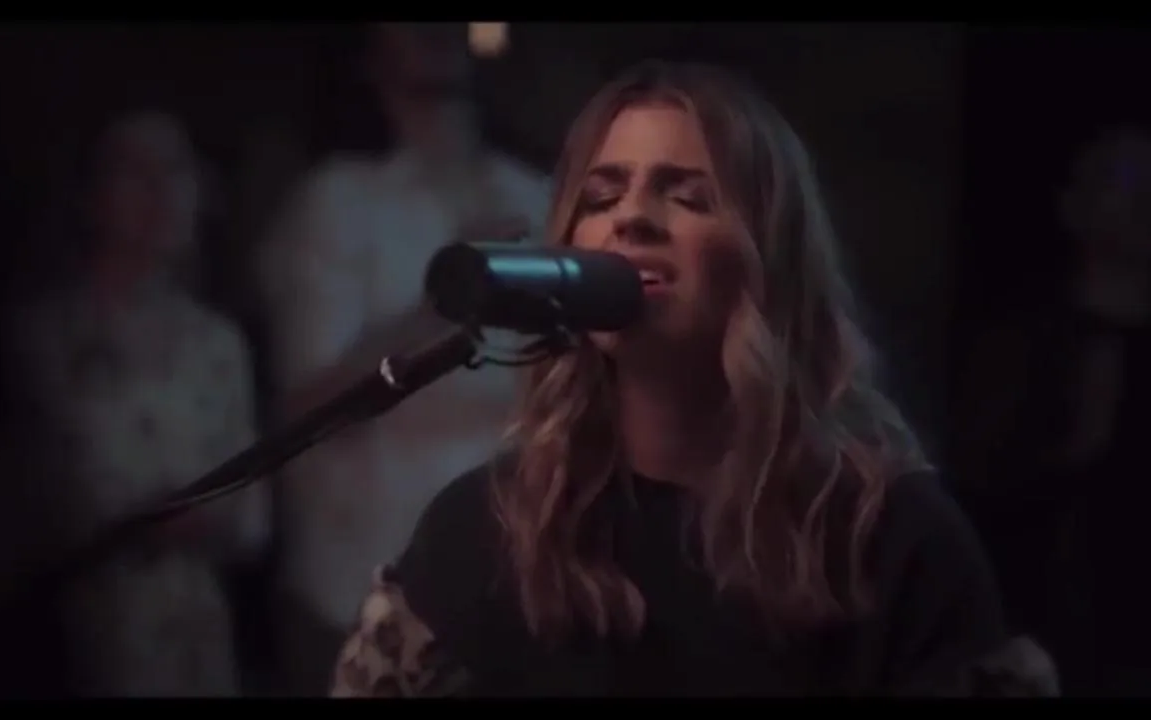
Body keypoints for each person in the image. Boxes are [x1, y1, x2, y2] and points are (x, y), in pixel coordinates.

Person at [326, 61, 1058, 697]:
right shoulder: (485, 529)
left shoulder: (895, 539)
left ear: (767, 258)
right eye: (602, 197)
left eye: (685, 197)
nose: (632, 219)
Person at [257, 23, 551, 690]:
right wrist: (442, 305)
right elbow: (306, 410)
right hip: (366, 593)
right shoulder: (335, 203)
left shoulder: (534, 194)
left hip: (518, 593)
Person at [0, 111, 270, 696]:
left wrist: (204, 520)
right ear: (90, 195)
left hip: (196, 646)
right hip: (76, 645)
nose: (162, 190)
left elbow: (252, 519)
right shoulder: (40, 339)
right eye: (135, 171)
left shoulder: (217, 345)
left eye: (177, 171)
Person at [955, 127, 1151, 694]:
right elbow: (980, 483)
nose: (1144, 196)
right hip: (1052, 643)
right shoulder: (1019, 346)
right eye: (1122, 177)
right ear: (1073, 205)